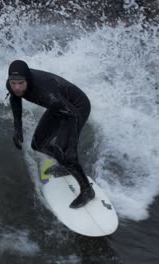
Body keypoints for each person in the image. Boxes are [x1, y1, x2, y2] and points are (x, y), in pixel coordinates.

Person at [6, 60, 95, 209]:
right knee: (38, 145)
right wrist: (17, 128)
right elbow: (15, 99)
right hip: (58, 106)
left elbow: (72, 115)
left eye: (20, 83)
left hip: (76, 108)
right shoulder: (13, 84)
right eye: (13, 83)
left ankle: (87, 190)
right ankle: (65, 164)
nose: (16, 87)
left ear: (27, 79)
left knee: (66, 151)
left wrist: (72, 147)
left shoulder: (45, 91)